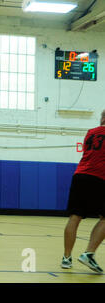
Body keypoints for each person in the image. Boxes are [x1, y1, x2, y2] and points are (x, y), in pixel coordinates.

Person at [61, 109, 105, 273]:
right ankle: (89, 253)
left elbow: (89, 152)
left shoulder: (91, 132)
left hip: (80, 175)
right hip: (100, 177)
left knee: (75, 217)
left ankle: (66, 258)